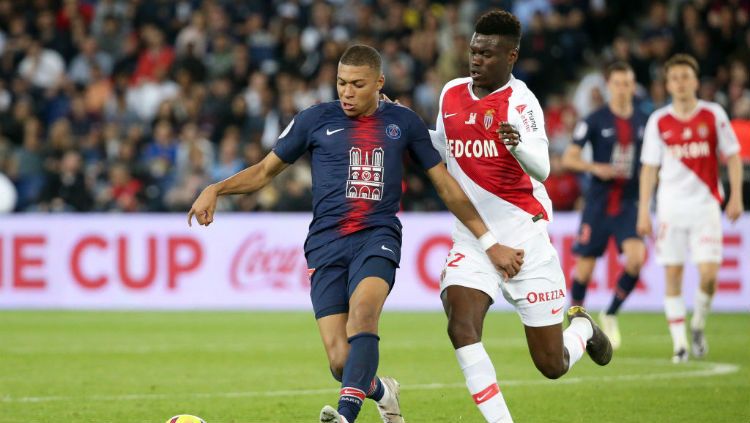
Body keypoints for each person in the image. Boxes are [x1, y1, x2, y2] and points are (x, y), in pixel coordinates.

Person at [188, 44, 523, 423]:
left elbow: (445, 186)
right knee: (340, 362)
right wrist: (216, 188)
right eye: (341, 83)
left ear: (379, 83)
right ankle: (383, 390)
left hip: (376, 236)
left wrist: (489, 242)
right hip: (325, 244)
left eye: (357, 84)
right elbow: (264, 172)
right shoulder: (313, 119)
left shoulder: (404, 123)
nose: (346, 92)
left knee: (363, 318)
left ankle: (345, 416)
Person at [428, 10, 612, 423]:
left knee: (552, 364)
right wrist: (401, 126)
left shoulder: (521, 102)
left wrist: (516, 147)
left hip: (525, 242)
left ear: (511, 57)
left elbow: (543, 167)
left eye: (488, 54)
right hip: (475, 241)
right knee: (461, 325)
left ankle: (582, 330)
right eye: (474, 51)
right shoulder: (451, 94)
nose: (476, 60)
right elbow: (440, 147)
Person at [637, 54, 743, 363]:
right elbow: (649, 169)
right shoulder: (659, 120)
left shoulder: (713, 114)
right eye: (675, 78)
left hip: (706, 205)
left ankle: (697, 325)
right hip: (670, 208)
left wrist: (736, 195)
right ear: (668, 84)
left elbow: (733, 156)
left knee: (709, 276)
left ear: (696, 81)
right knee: (673, 275)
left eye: (686, 77)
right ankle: (680, 344)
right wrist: (644, 209)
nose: (681, 83)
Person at [561, 61, 649, 350]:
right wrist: (595, 167)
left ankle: (610, 313)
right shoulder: (595, 120)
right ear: (608, 86)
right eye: (618, 83)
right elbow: (568, 159)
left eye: (628, 84)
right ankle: (575, 322)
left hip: (628, 204)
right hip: (598, 204)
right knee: (584, 271)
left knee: (636, 259)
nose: (623, 89)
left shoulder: (643, 121)